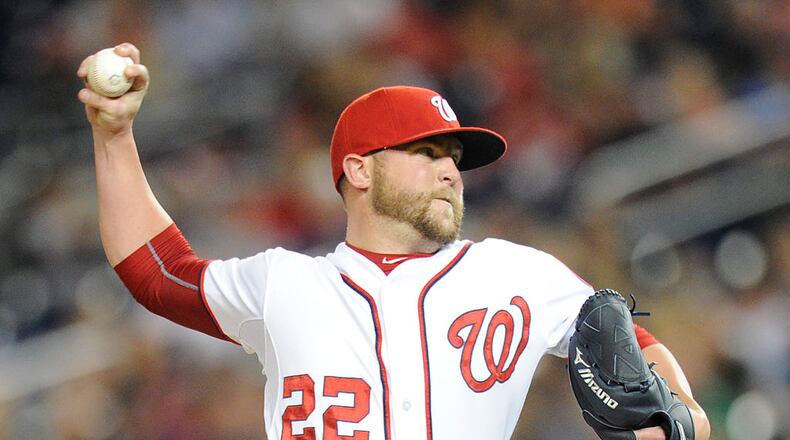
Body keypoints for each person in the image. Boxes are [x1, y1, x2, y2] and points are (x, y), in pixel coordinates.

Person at [77, 43, 710, 440]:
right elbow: (156, 272)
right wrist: (114, 138)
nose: (449, 171)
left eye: (454, 157)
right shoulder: (284, 283)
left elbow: (633, 344)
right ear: (358, 170)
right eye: (426, 152)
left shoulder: (514, 274)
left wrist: (681, 414)